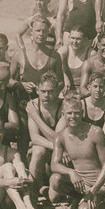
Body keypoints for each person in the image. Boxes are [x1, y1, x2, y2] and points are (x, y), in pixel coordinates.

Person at [10, 15, 64, 160]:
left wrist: (47, 92)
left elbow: (61, 83)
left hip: (46, 106)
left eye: (44, 31)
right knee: (23, 138)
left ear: (48, 33)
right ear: (31, 32)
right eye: (38, 31)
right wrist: (21, 84)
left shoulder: (54, 56)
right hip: (24, 104)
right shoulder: (20, 54)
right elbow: (8, 80)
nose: (41, 34)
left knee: (44, 142)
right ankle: (21, 170)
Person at [50, 97, 105, 209]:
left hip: (98, 184)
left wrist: (93, 190)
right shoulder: (60, 136)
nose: (73, 116)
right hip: (79, 182)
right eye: (69, 113)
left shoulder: (95, 132)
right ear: (63, 114)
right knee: (55, 180)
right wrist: (71, 172)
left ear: (82, 113)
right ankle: (78, 197)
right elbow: (54, 165)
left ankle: (100, 202)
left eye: (77, 113)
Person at [25, 72, 65, 201]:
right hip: (47, 152)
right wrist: (57, 147)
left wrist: (36, 117)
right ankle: (32, 196)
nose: (47, 95)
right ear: (37, 90)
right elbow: (35, 138)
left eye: (50, 91)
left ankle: (45, 189)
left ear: (58, 91)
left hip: (59, 155)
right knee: (38, 150)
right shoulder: (33, 105)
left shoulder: (63, 106)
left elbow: (58, 137)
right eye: (43, 91)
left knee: (55, 199)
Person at [79, 72, 105, 140]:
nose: (98, 90)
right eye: (95, 86)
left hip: (99, 143)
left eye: (101, 87)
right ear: (89, 87)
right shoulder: (81, 104)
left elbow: (104, 136)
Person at [58, 26, 95, 93]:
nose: (74, 41)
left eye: (78, 39)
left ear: (85, 39)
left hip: (84, 91)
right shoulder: (63, 51)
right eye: (72, 38)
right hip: (65, 90)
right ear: (68, 38)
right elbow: (55, 67)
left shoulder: (91, 54)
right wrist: (65, 77)